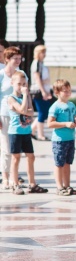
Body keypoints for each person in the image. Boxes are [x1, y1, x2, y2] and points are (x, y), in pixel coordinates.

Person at [7, 71, 48, 195]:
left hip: (26, 131)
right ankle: (14, 184)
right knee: (16, 158)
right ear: (12, 83)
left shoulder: (26, 95)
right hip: (15, 132)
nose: (22, 86)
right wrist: (25, 96)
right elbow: (23, 109)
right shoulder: (11, 98)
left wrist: (26, 98)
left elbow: (30, 112)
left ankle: (32, 184)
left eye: (24, 84)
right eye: (19, 84)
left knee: (31, 156)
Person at [0, 46, 28, 189]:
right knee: (6, 147)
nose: (18, 61)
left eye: (19, 58)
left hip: (19, 115)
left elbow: (26, 94)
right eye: (15, 58)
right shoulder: (1, 75)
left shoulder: (22, 74)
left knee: (16, 148)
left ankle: (14, 177)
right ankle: (5, 177)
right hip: (4, 114)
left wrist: (28, 113)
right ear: (7, 59)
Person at [47, 79, 76, 196]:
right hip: (59, 140)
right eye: (65, 91)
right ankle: (59, 186)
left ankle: (67, 185)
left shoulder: (71, 105)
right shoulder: (55, 107)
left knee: (67, 163)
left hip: (70, 139)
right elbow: (50, 123)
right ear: (57, 93)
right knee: (59, 164)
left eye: (69, 91)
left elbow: (75, 116)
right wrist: (65, 124)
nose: (68, 93)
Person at [30, 45, 52, 141]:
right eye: (42, 52)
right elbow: (37, 78)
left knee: (45, 112)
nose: (44, 55)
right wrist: (43, 91)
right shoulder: (36, 63)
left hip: (44, 90)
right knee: (42, 112)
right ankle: (40, 134)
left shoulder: (41, 63)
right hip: (38, 91)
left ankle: (31, 130)